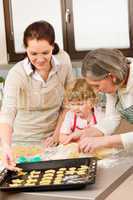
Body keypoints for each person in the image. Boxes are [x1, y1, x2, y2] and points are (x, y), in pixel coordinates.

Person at [0, 20, 74, 170]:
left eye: (45, 53)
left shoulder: (64, 62)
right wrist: (6, 146)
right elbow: (7, 113)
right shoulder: (17, 74)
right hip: (22, 143)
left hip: (56, 140)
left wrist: (57, 134)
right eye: (33, 53)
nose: (40, 59)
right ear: (26, 49)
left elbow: (68, 102)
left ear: (53, 47)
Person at [79, 48, 133, 153]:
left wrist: (106, 140)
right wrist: (94, 131)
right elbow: (112, 117)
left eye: (96, 85)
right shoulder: (116, 82)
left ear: (112, 76)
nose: (96, 91)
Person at [59, 78, 103, 145]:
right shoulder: (70, 115)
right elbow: (61, 137)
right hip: (75, 150)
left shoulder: (99, 115)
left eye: (80, 104)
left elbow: (104, 135)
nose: (75, 108)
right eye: (72, 104)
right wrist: (72, 141)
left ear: (91, 102)